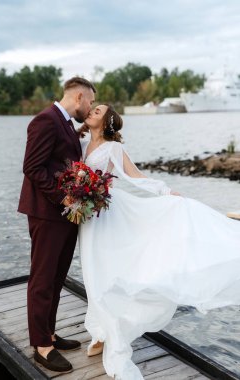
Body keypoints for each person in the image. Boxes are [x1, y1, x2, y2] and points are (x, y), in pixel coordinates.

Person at [77, 104, 240, 380]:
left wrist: (165, 190)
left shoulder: (113, 148)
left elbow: (135, 176)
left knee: (106, 272)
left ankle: (113, 334)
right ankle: (100, 331)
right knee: (91, 272)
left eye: (99, 110)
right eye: (92, 107)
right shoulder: (80, 143)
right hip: (87, 216)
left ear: (107, 122)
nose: (93, 110)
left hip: (108, 214)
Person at [18, 77, 96, 373]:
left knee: (57, 276)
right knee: (42, 279)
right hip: (47, 212)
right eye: (89, 102)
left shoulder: (63, 123)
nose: (89, 108)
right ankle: (41, 346)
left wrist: (80, 133)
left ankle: (49, 332)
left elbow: (58, 158)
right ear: (78, 97)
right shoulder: (45, 120)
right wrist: (64, 198)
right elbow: (32, 167)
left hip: (63, 215)